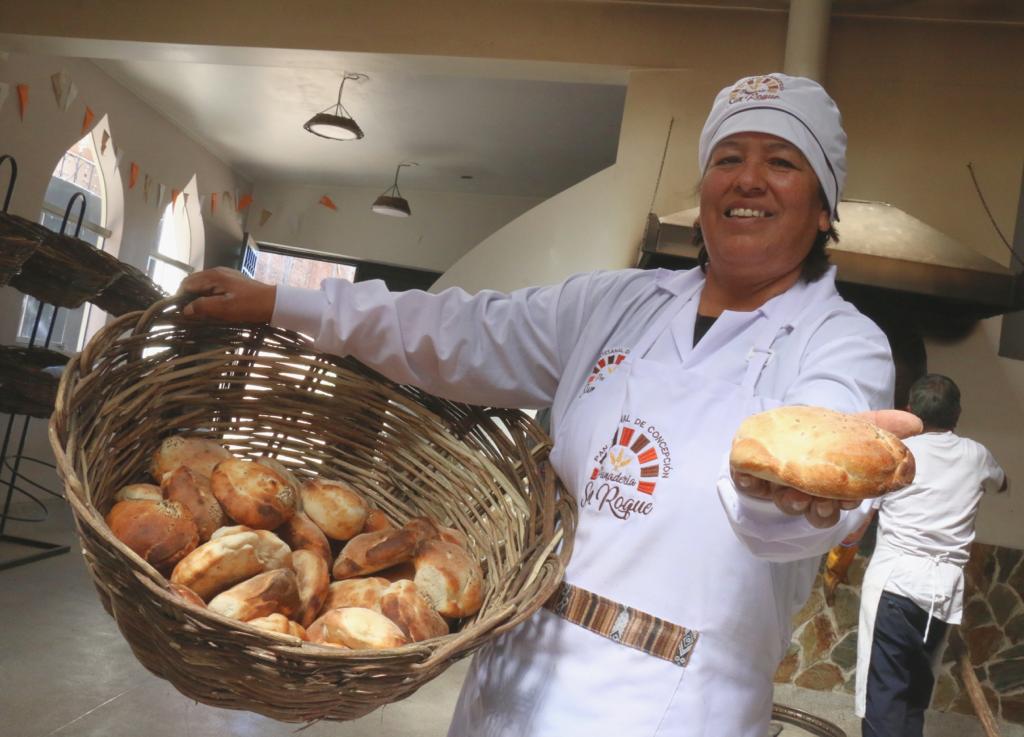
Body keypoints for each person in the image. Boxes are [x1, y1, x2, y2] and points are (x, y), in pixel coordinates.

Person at [181, 73, 920, 737]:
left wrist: (788, 491)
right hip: (519, 670)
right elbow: (457, 329)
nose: (749, 179)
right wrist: (287, 303)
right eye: (729, 158)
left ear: (825, 209)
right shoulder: (617, 303)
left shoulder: (841, 343)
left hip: (677, 704)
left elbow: (820, 469)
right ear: (703, 193)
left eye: (782, 161)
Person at [851, 373, 1007, 737]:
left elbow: (859, 522)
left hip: (896, 584)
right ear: (958, 413)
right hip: (942, 591)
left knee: (885, 694)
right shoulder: (976, 455)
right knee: (913, 696)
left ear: (910, 413)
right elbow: (1001, 483)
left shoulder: (896, 453)